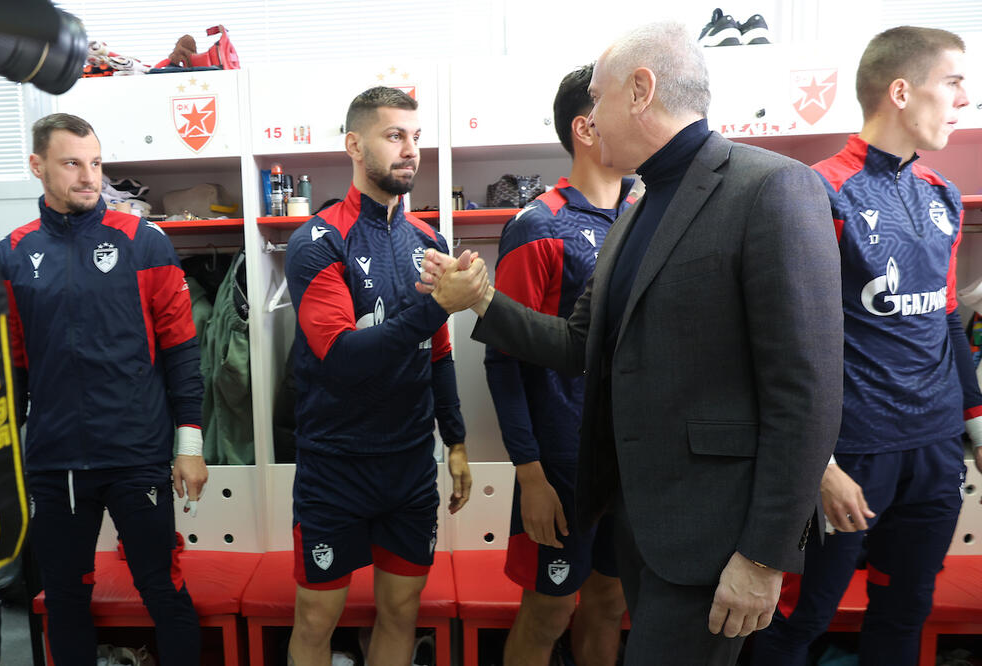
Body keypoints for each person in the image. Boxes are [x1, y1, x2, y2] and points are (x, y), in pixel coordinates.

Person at [419, 22, 845, 665]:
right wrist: (480, 302)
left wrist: (764, 556)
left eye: (597, 97)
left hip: (717, 542)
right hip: (641, 527)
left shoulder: (772, 188)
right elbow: (578, 342)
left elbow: (807, 394)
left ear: (641, 90)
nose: (588, 117)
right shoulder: (639, 212)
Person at [751, 26, 981, 666]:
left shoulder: (942, 197)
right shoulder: (817, 191)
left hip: (933, 455)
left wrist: (975, 423)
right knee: (796, 620)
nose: (966, 99)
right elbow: (775, 341)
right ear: (902, 91)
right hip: (848, 456)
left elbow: (948, 318)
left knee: (904, 613)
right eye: (955, 82)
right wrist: (817, 465)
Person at [0, 113, 207, 665]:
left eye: (95, 163)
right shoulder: (12, 254)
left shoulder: (142, 243)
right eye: (72, 163)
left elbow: (182, 348)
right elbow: (11, 369)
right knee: (64, 599)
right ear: (37, 166)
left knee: (162, 589)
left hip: (136, 454)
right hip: (55, 461)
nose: (89, 177)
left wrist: (189, 446)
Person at [285, 86, 472, 666]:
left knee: (401, 611)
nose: (410, 149)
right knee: (317, 618)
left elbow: (438, 353)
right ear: (354, 144)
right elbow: (341, 358)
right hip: (334, 466)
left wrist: (457, 441)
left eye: (416, 137)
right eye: (394, 135)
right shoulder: (316, 241)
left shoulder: (429, 242)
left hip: (410, 467)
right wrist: (440, 304)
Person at [484, 64, 633, 666]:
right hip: (561, 466)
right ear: (587, 127)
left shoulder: (643, 220)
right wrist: (530, 473)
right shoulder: (537, 227)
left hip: (629, 461)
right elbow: (504, 359)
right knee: (549, 609)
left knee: (609, 602)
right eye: (628, 107)